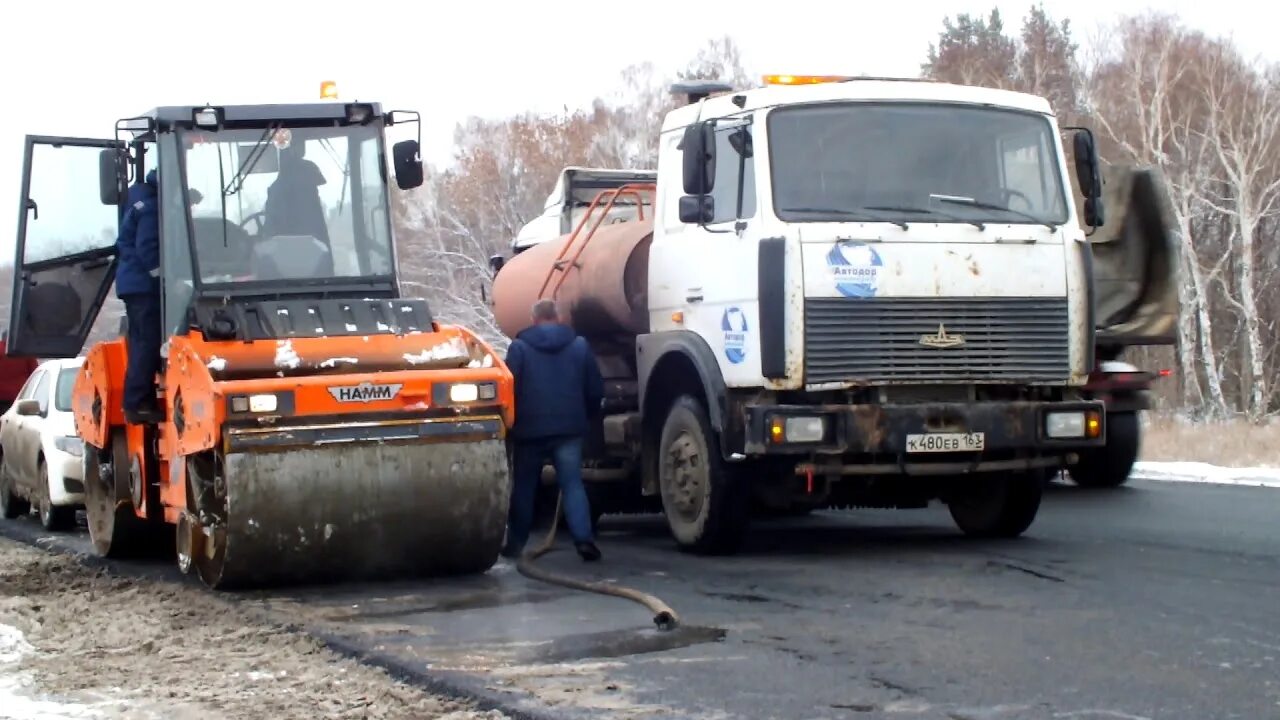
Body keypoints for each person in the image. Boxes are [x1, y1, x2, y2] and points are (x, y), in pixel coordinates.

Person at [502, 300, 604, 562]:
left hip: (529, 431)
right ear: (558, 317)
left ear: (533, 319)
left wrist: (510, 426)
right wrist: (587, 416)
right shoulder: (579, 346)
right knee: (572, 484)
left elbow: (509, 391)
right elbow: (594, 389)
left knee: (525, 488)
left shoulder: (519, 348)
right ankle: (584, 540)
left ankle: (515, 544)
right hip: (569, 429)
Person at [115, 169, 162, 425]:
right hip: (143, 285)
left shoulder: (140, 196)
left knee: (142, 340)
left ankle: (142, 399)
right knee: (147, 340)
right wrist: (164, 280)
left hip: (133, 284)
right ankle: (137, 403)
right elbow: (148, 248)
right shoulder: (153, 207)